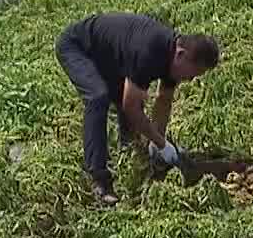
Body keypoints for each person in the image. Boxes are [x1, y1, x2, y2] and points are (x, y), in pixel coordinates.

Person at [55, 13, 219, 203]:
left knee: (127, 99)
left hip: (108, 56)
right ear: (181, 55)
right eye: (194, 73)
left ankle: (130, 151)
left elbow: (164, 100)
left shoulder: (174, 58)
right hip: (76, 47)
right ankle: (99, 180)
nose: (191, 79)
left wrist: (157, 141)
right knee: (98, 96)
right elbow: (131, 107)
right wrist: (161, 143)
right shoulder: (149, 51)